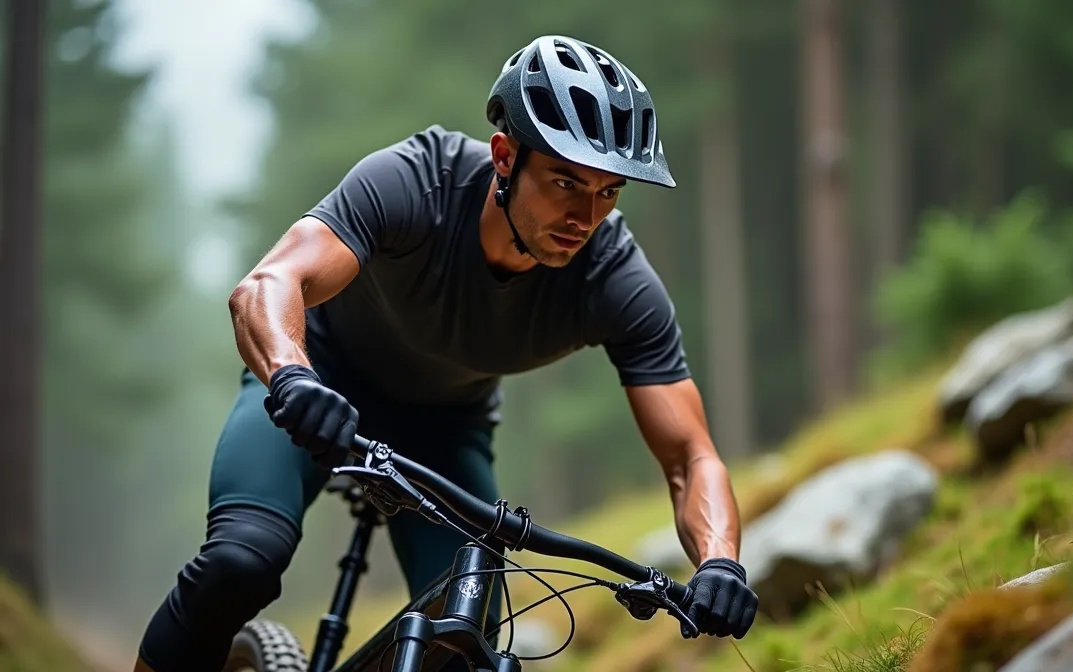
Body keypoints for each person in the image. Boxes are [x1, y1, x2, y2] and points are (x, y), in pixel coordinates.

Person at [134, 34, 758, 672]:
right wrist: (291, 377)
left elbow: (690, 456)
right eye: (565, 182)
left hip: (444, 428)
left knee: (467, 640)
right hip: (317, 383)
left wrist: (720, 561)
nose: (584, 215)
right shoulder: (414, 182)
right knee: (242, 562)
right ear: (505, 156)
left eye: (608, 192)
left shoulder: (613, 278)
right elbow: (266, 285)